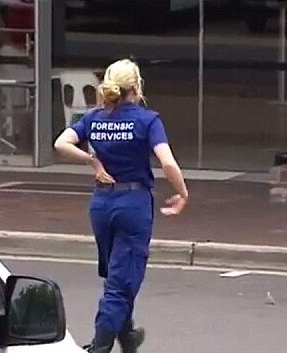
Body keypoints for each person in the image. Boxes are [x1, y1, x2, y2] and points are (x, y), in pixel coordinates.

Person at [54, 59, 189, 353]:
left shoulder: (94, 119)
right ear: (137, 87)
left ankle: (126, 334)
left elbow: (61, 144)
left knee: (117, 272)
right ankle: (99, 346)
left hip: (101, 204)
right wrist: (182, 193)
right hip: (133, 203)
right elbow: (166, 161)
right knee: (120, 282)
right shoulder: (147, 120)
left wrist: (91, 161)